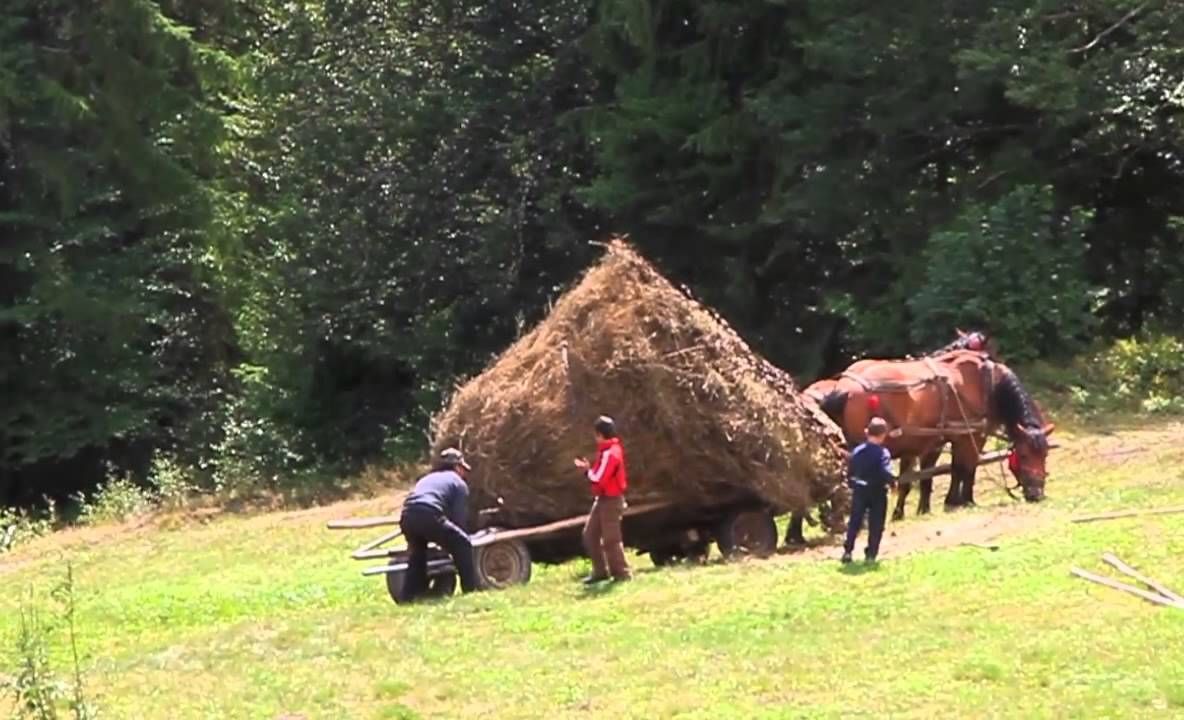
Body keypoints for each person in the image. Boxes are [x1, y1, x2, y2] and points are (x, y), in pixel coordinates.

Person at [399, 448, 481, 602]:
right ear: (457, 467)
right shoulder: (458, 483)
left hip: (407, 515)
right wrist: (461, 537)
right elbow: (459, 518)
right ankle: (470, 590)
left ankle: (408, 597)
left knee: (417, 554)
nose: (464, 473)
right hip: (428, 513)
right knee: (463, 543)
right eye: (462, 468)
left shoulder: (427, 478)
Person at [574, 415, 632, 584]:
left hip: (611, 500)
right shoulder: (608, 451)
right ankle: (601, 571)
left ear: (599, 434)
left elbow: (599, 478)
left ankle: (622, 573)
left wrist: (586, 471)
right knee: (590, 535)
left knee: (611, 539)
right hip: (603, 498)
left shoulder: (610, 453)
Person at [842, 417, 896, 564]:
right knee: (876, 524)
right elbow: (885, 471)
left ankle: (848, 551)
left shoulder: (857, 451)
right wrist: (892, 482)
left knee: (855, 521)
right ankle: (871, 554)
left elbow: (850, 471)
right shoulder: (883, 453)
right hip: (877, 492)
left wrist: (853, 484)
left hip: (860, 490)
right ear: (882, 435)